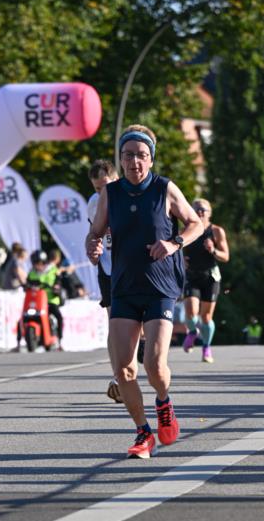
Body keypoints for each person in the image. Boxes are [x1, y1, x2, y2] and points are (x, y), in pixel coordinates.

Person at [86, 124, 202, 458]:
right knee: (123, 369)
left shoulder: (165, 189)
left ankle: (163, 402)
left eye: (141, 155)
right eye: (128, 155)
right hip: (124, 287)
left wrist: (173, 242)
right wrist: (92, 247)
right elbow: (95, 233)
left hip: (160, 287)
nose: (135, 161)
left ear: (150, 159)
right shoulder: (112, 193)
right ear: (120, 159)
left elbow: (197, 224)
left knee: (154, 365)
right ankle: (143, 433)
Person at [87, 160, 124, 402]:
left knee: (134, 324)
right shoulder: (93, 204)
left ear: (115, 179)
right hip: (108, 268)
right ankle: (118, 377)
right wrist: (92, 248)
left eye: (105, 187)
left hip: (132, 267)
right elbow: (94, 233)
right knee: (114, 322)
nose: (101, 193)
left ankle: (136, 352)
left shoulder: (128, 196)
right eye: (97, 188)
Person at [181, 198, 230, 363]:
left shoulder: (216, 231)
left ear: (209, 213)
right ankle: (193, 332)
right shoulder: (185, 230)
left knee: (206, 317)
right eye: (196, 209)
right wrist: (180, 259)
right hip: (192, 275)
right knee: (190, 312)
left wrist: (213, 250)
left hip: (210, 276)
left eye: (203, 210)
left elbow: (226, 256)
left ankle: (206, 348)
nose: (200, 212)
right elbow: (175, 249)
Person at [26, 249, 63, 344]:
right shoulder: (32, 273)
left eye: (40, 263)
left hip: (51, 300)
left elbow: (58, 281)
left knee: (58, 316)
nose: (38, 265)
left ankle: (60, 340)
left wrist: (56, 286)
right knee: (23, 317)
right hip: (37, 301)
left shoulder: (53, 270)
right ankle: (19, 340)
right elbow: (27, 283)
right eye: (35, 263)